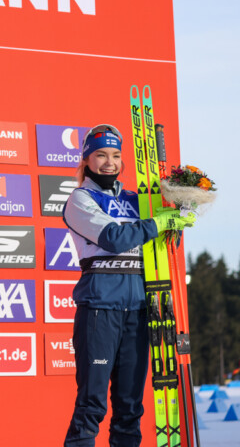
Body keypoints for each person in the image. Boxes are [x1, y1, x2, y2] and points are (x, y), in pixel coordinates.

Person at [63, 124, 196, 446]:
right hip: (100, 309)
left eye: (115, 155)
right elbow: (114, 238)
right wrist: (158, 222)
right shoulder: (80, 199)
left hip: (139, 309)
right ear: (86, 160)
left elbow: (163, 246)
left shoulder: (137, 200)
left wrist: (180, 215)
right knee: (92, 405)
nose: (109, 162)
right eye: (100, 155)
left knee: (130, 407)